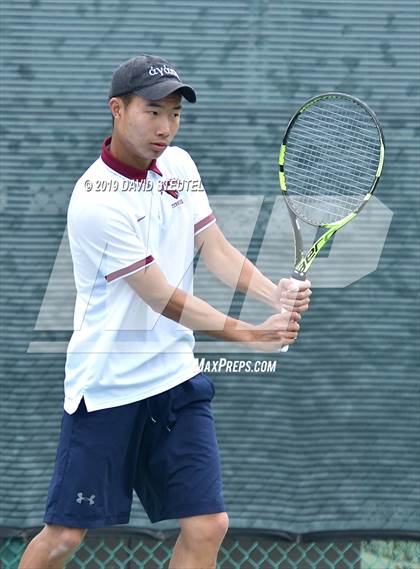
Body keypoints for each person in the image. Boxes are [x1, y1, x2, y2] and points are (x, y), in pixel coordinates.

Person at [18, 54, 311, 569]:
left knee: (208, 525)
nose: (166, 127)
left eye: (175, 114)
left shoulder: (179, 165)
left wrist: (275, 294)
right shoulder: (95, 202)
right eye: (153, 112)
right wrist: (249, 335)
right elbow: (162, 297)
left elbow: (214, 247)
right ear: (117, 109)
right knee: (64, 537)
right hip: (107, 389)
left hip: (174, 382)